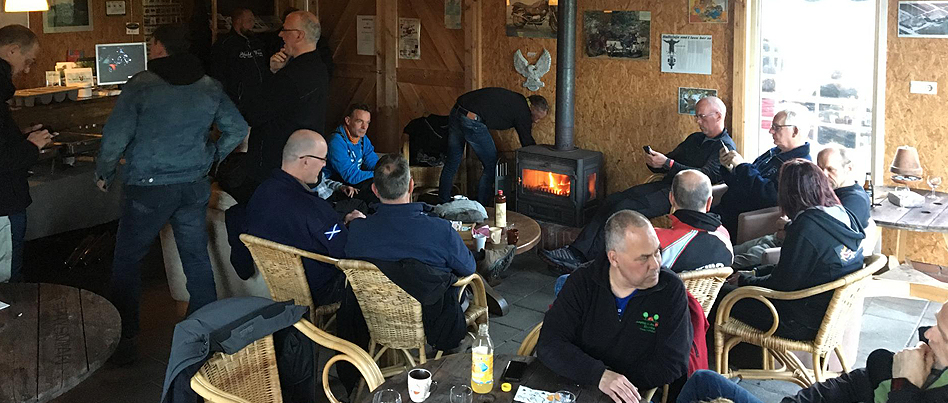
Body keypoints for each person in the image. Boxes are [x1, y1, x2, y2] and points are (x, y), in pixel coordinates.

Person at [95, 24, 248, 363]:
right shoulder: (209, 85)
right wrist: (211, 156)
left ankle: (124, 341)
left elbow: (115, 136)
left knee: (127, 261)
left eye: (151, 44)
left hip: (147, 187)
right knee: (196, 257)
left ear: (160, 47)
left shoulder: (142, 84)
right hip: (193, 184)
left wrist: (104, 172)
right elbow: (237, 128)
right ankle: (206, 335)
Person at [541, 96, 736, 272]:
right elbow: (670, 160)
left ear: (718, 116)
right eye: (697, 116)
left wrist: (668, 164)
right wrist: (656, 162)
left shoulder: (724, 147)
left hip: (682, 197)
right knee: (612, 200)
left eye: (701, 117)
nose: (698, 121)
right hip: (663, 187)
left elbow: (705, 175)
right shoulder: (695, 139)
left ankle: (585, 260)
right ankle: (576, 252)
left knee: (622, 209)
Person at [538, 210, 693, 403]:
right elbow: (549, 342)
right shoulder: (583, 281)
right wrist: (599, 375)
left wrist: (620, 383)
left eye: (657, 252)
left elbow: (674, 362)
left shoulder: (670, 289)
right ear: (614, 258)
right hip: (579, 383)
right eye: (643, 258)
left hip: (634, 393)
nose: (655, 265)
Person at [718, 159, 865, 342]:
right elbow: (791, 270)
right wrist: (753, 272)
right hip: (829, 315)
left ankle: (719, 355)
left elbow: (781, 284)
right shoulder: (843, 215)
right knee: (740, 279)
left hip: (798, 321)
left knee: (718, 293)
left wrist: (744, 280)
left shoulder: (807, 227)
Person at [554, 170, 733, 294]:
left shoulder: (655, 240)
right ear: (709, 202)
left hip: (645, 310)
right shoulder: (724, 236)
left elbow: (612, 273)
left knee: (565, 281)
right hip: (696, 313)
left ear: (671, 199)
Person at [244, 130, 364, 305]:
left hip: (280, 286)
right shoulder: (313, 208)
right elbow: (347, 251)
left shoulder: (261, 192)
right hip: (319, 290)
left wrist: (339, 224)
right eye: (322, 159)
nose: (324, 165)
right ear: (306, 161)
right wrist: (355, 225)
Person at [237, 10, 329, 204]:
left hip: (278, 164)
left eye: (285, 30)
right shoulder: (319, 67)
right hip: (306, 158)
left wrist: (270, 73)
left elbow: (253, 113)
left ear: (299, 35)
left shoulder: (290, 78)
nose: (280, 34)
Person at [732, 145, 870, 269]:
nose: (823, 174)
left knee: (731, 263)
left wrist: (788, 226)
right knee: (731, 251)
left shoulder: (855, 201)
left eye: (830, 169)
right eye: (820, 168)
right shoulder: (826, 189)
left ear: (849, 168)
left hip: (794, 246)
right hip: (782, 236)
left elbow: (826, 236)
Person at [781, 301, 948, 403]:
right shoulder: (929, 361)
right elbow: (854, 384)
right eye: (935, 323)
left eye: (943, 335)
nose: (928, 334)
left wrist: (903, 386)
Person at [0, 25, 52, 283]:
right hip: (3, 203)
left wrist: (20, 137)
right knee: (7, 280)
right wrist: (32, 146)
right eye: (28, 61)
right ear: (12, 51)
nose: (27, 70)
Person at [712, 106, 812, 238]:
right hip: (724, 209)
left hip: (739, 218)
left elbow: (769, 196)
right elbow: (743, 182)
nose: (771, 131)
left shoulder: (799, 166)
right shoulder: (774, 152)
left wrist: (742, 166)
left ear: (795, 131)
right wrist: (730, 168)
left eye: (776, 127)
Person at [438, 87, 549, 205]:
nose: (536, 121)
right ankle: (483, 206)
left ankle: (443, 202)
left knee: (452, 161)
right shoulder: (523, 112)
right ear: (532, 107)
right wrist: (541, 162)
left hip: (457, 111)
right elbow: (526, 142)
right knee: (491, 165)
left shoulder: (517, 100)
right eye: (537, 117)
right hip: (472, 120)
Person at [209, 8, 268, 114]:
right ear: (238, 21)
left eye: (253, 20)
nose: (252, 24)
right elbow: (218, 73)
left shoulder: (256, 42)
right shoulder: (225, 44)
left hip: (259, 98)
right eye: (249, 21)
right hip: (237, 100)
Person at [325, 103, 380, 205]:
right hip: (336, 186)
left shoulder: (363, 139)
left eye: (367, 123)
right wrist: (380, 173)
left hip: (354, 180)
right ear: (348, 121)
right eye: (360, 121)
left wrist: (385, 172)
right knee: (375, 192)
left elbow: (373, 163)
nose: (364, 127)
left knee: (383, 185)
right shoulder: (336, 142)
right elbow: (350, 176)